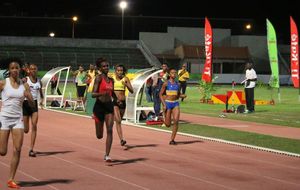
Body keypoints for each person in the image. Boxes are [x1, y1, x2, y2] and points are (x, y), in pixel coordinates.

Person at [0, 58, 35, 188]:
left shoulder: (24, 85)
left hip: (17, 119)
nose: (15, 70)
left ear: (20, 69)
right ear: (9, 70)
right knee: (2, 151)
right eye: (12, 68)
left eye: (17, 68)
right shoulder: (3, 83)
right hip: (4, 118)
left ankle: (11, 179)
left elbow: (32, 104)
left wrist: (29, 96)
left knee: (17, 149)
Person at [92, 57, 115, 162]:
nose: (106, 67)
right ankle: (97, 121)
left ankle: (107, 155)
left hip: (109, 107)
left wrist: (117, 99)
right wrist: (102, 93)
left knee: (110, 130)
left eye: (107, 66)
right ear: (100, 68)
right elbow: (93, 94)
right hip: (99, 107)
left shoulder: (111, 80)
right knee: (99, 135)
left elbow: (112, 93)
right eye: (104, 66)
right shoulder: (98, 78)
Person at [23, 64, 44, 157]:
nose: (33, 70)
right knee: (26, 130)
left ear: (37, 70)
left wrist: (42, 100)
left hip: (34, 105)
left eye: (35, 69)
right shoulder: (25, 80)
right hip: (26, 104)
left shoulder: (39, 81)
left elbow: (41, 93)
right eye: (31, 69)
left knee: (34, 125)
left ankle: (31, 149)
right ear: (29, 70)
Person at [159, 68, 183, 145]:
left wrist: (182, 96)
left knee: (176, 121)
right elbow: (160, 94)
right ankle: (164, 116)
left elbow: (178, 94)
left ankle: (172, 140)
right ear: (169, 74)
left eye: (175, 73)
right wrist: (164, 104)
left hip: (176, 103)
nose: (174, 74)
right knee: (168, 125)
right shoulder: (166, 83)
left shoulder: (178, 84)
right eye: (172, 72)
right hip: (168, 104)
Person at [113, 64, 134, 146]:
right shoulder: (112, 79)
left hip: (123, 103)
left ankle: (118, 132)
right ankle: (122, 139)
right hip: (115, 102)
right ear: (115, 71)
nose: (120, 72)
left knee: (119, 121)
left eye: (121, 70)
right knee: (118, 120)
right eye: (118, 70)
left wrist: (127, 85)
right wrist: (115, 99)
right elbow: (110, 91)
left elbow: (132, 90)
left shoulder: (126, 79)